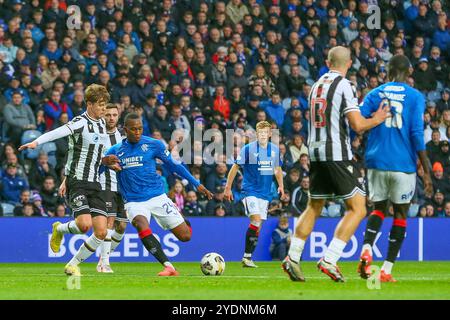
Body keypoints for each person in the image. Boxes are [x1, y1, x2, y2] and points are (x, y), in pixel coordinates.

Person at [282, 46, 390, 282]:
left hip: (315, 153)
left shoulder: (316, 86)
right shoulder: (344, 85)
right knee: (358, 207)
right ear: (349, 63)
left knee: (314, 206)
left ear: (327, 61)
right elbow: (358, 125)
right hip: (336, 153)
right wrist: (378, 119)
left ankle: (293, 256)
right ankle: (330, 259)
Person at [102, 112, 213, 276]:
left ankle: (181, 217)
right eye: (133, 129)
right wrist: (105, 163)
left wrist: (196, 183)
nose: (137, 132)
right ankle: (168, 266)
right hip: (134, 201)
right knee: (141, 224)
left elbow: (175, 165)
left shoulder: (154, 144)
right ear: (125, 129)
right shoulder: (115, 150)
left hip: (158, 197)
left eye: (140, 128)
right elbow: (99, 167)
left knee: (185, 236)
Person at [19, 84, 111, 277]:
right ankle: (59, 229)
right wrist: (36, 142)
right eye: (101, 105)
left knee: (101, 232)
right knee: (84, 225)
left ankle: (72, 264)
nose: (104, 109)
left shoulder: (102, 124)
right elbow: (56, 133)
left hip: (95, 183)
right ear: (89, 104)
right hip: (77, 181)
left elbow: (93, 153)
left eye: (105, 105)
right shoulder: (79, 122)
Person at [358, 55, 433, 282]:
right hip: (403, 165)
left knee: (378, 209)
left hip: (377, 161)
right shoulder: (415, 96)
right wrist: (426, 171)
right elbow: (417, 134)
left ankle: (367, 248)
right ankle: (386, 270)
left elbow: (359, 120)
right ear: (409, 70)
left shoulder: (375, 93)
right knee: (400, 213)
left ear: (387, 70)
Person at [224, 120, 285, 268]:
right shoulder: (248, 149)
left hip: (264, 194)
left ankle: (247, 257)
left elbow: (277, 169)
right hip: (249, 191)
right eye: (260, 133)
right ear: (257, 134)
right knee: (256, 220)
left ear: (270, 134)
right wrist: (228, 187)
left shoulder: (275, 150)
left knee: (256, 225)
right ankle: (247, 257)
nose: (263, 135)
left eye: (265, 132)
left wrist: (281, 186)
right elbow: (235, 167)